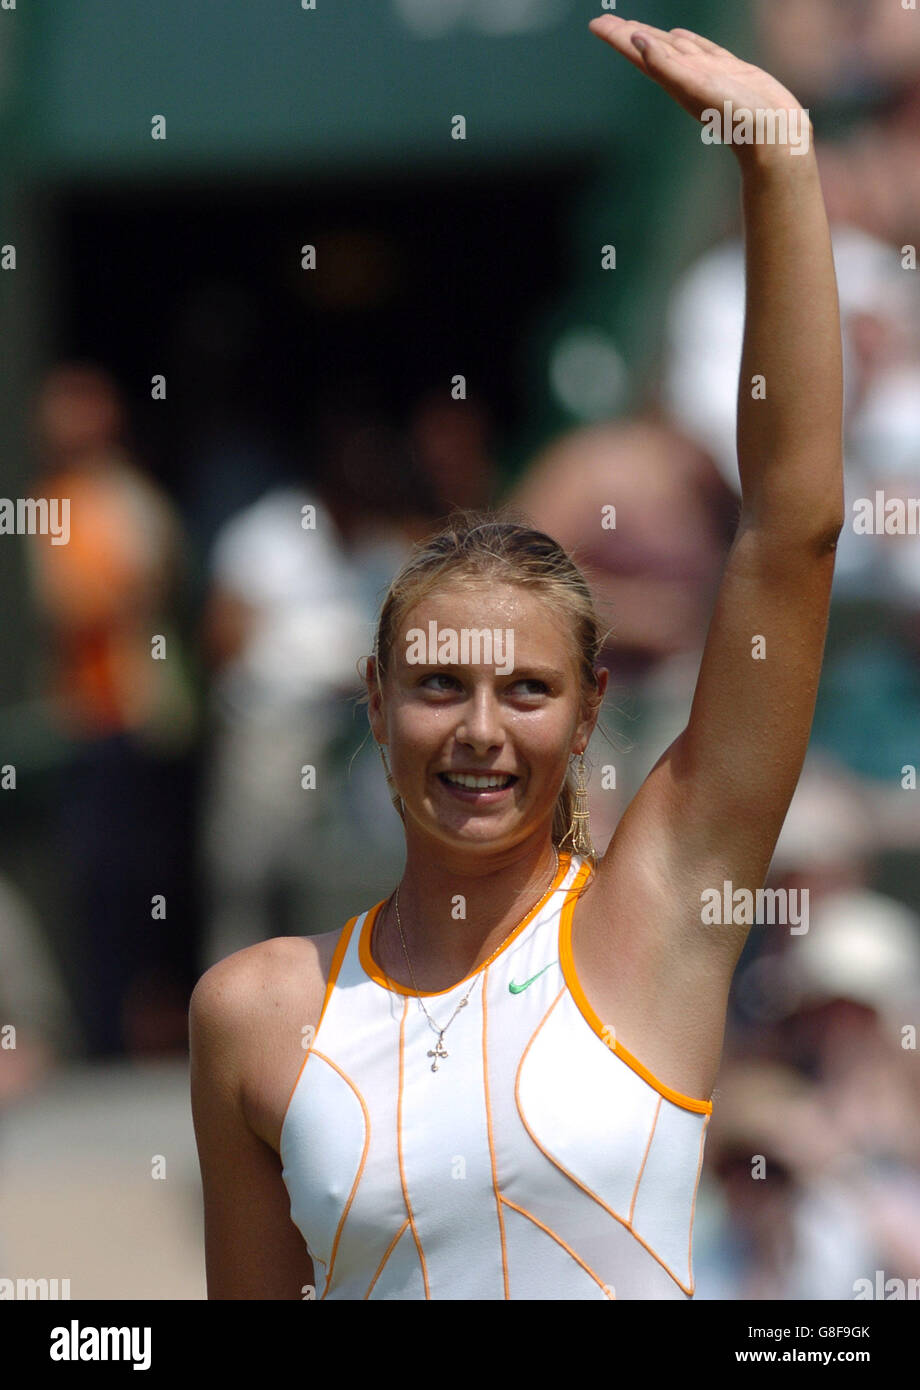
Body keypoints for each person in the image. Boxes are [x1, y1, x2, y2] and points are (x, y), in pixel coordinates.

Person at [189, 15, 844, 1299]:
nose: (481, 728)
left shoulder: (659, 912)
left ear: (591, 709)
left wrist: (776, 165)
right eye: (439, 683)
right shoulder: (252, 1012)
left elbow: (790, 530)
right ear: (374, 707)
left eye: (526, 687)